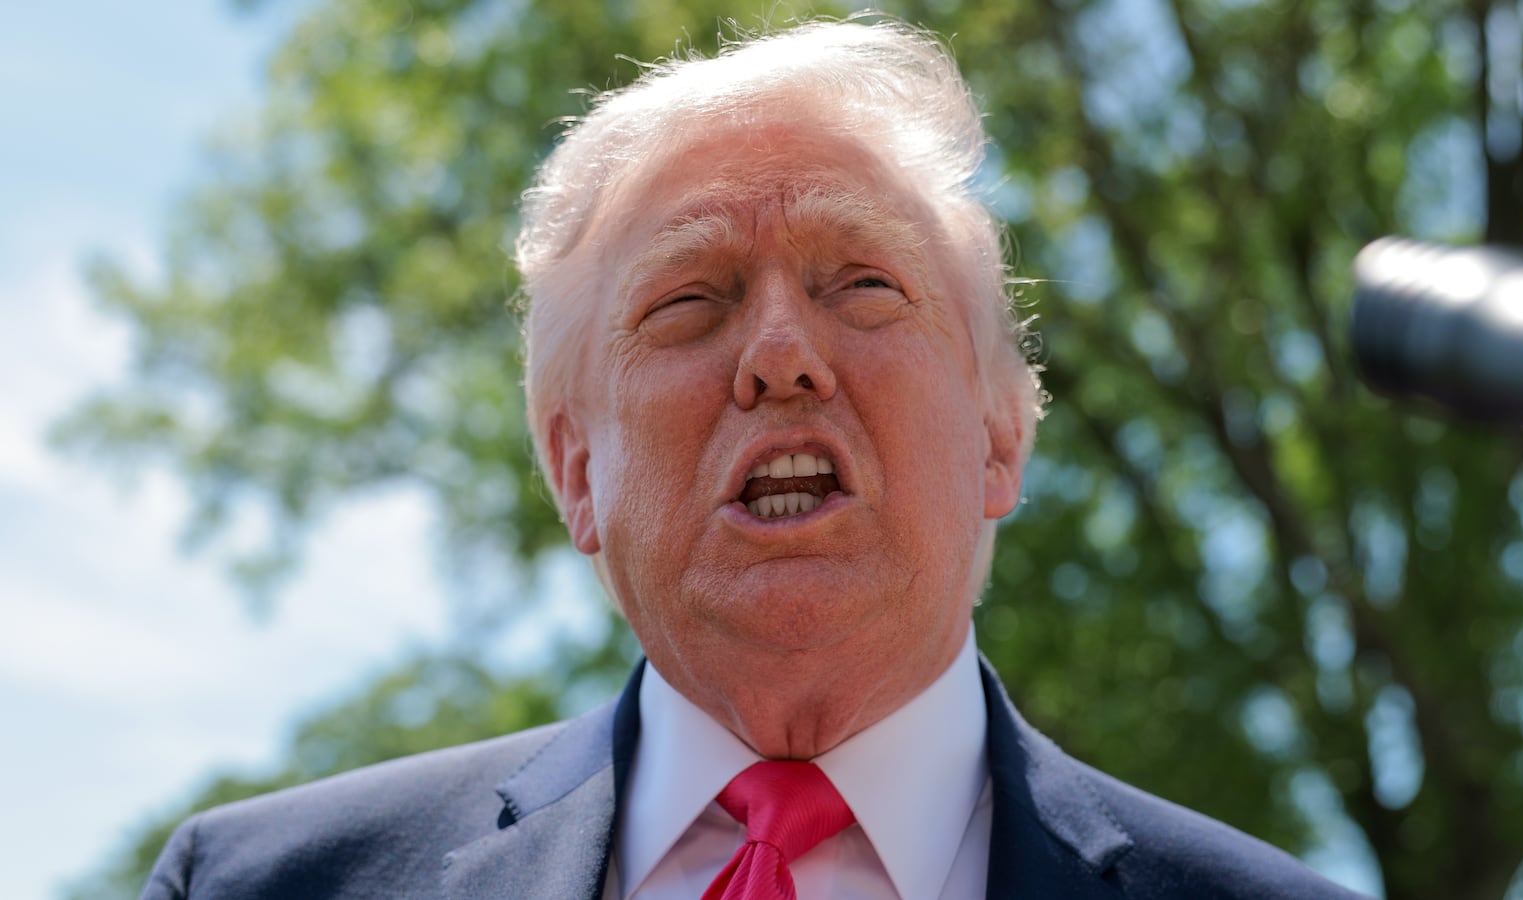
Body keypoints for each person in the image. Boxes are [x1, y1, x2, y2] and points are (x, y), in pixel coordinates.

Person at [142, 18, 1366, 900]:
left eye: (865, 285)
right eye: (688, 302)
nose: (782, 355)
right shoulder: (262, 885)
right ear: (574, 472)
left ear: (1000, 432)